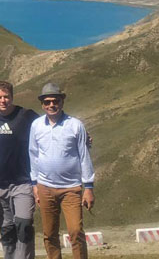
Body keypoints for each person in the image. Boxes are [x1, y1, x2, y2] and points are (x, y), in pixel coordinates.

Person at [29, 83, 95, 259]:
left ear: (62, 101)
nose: (51, 105)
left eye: (55, 101)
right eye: (47, 102)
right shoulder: (36, 126)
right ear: (42, 104)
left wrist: (88, 187)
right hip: (45, 187)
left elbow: (84, 156)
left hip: (71, 188)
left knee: (75, 231)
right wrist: (34, 184)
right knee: (49, 233)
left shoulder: (75, 125)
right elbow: (33, 154)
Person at [0, 81, 39, 259]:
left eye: (6, 96)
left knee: (24, 224)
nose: (3, 100)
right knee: (7, 229)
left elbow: (48, 126)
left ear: (12, 97)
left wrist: (81, 135)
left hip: (23, 181)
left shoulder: (26, 115)